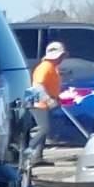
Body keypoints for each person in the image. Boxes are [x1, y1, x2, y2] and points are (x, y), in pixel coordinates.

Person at [22, 38, 66, 172]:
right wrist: (48, 99)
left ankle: (37, 157)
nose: (63, 58)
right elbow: (37, 86)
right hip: (37, 102)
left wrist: (57, 98)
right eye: (61, 55)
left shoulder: (52, 68)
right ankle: (27, 151)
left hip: (42, 102)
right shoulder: (45, 67)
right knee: (44, 128)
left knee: (44, 129)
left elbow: (50, 86)